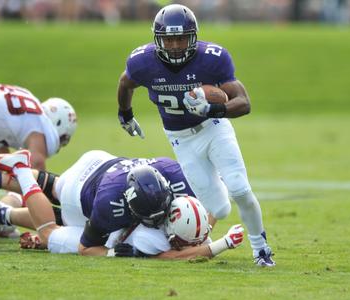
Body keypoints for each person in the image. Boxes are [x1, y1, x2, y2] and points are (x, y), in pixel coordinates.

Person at [115, 4, 275, 267]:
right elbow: (125, 83)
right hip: (181, 139)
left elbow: (244, 102)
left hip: (214, 128)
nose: (176, 45)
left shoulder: (213, 57)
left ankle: (261, 248)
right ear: (158, 40)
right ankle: (222, 180)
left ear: (193, 37)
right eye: (169, 39)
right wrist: (126, 114)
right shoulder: (142, 61)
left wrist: (213, 108)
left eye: (181, 38)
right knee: (220, 208)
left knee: (241, 189)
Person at [0, 150, 244, 259]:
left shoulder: (174, 175)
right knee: (53, 228)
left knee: (52, 185)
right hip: (82, 192)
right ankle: (19, 171)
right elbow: (86, 247)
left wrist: (210, 226)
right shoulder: (112, 208)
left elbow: (214, 196)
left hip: (102, 161)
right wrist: (115, 254)